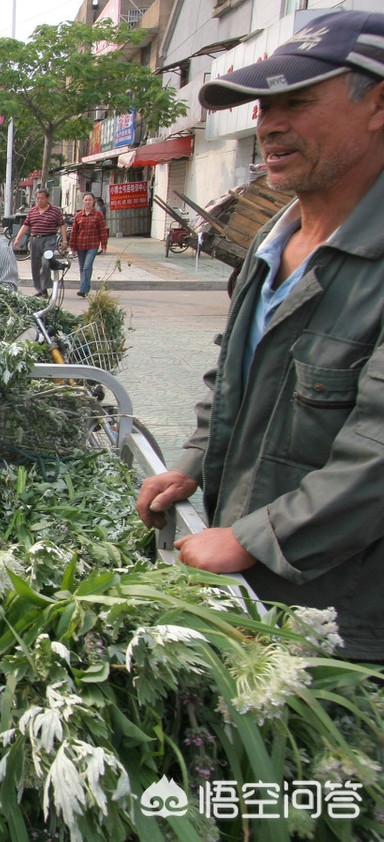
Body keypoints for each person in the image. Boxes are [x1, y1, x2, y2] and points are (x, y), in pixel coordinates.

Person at [135, 9, 384, 663]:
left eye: (296, 102)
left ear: (379, 103)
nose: (268, 124)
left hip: (348, 623)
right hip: (252, 597)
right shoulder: (272, 243)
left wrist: (253, 538)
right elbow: (235, 377)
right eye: (262, 104)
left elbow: (376, 456)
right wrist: (192, 460)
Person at [14, 188, 67, 298]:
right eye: (37, 198)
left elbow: (62, 225)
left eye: (42, 198)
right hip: (35, 240)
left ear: (48, 198)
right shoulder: (32, 211)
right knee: (35, 266)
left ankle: (45, 285)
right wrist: (18, 239)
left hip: (49, 239)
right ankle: (41, 289)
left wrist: (64, 240)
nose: (39, 201)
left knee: (46, 263)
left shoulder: (55, 211)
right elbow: (25, 225)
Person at [67, 193, 108, 297]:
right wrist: (72, 247)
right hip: (80, 245)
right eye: (85, 200)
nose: (87, 202)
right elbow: (74, 232)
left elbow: (102, 230)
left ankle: (83, 289)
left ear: (93, 201)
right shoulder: (79, 215)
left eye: (90, 200)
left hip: (93, 245)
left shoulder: (98, 215)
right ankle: (85, 287)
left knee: (87, 266)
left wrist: (104, 245)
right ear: (83, 202)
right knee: (82, 268)